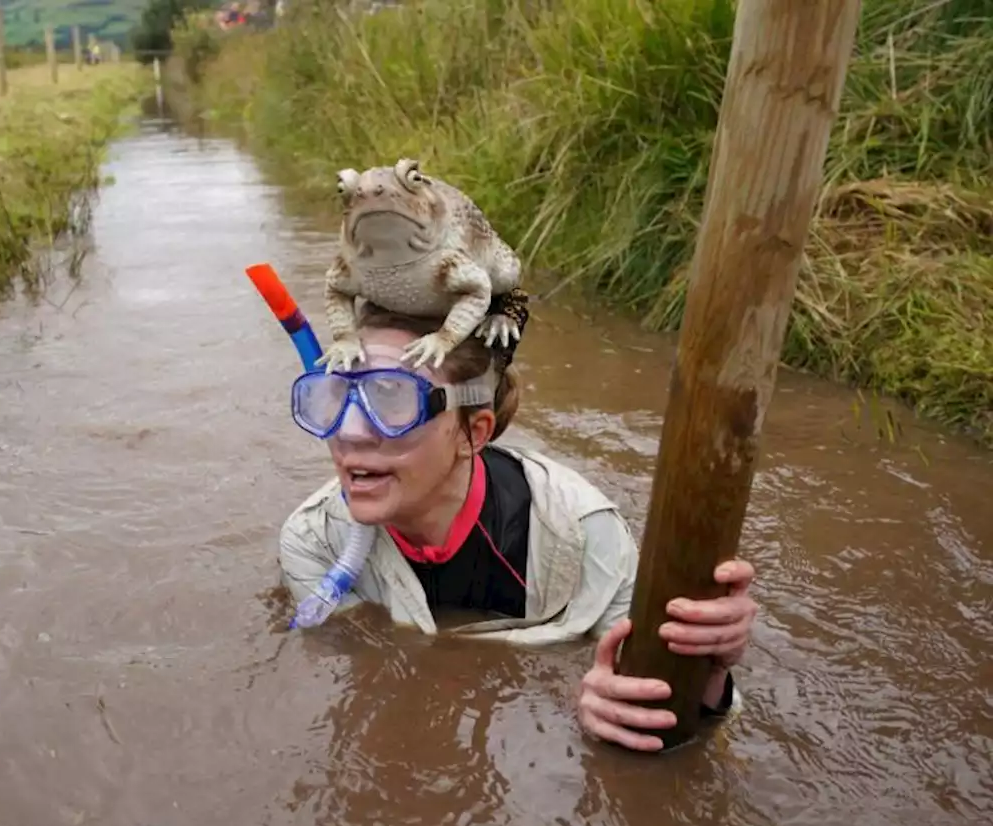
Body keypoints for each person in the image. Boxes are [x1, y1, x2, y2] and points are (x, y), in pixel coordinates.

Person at [277, 300, 760, 752]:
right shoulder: (315, 541)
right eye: (337, 393)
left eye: (393, 399)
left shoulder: (583, 532)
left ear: (474, 433)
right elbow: (365, 681)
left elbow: (663, 707)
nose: (350, 431)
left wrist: (705, 672)